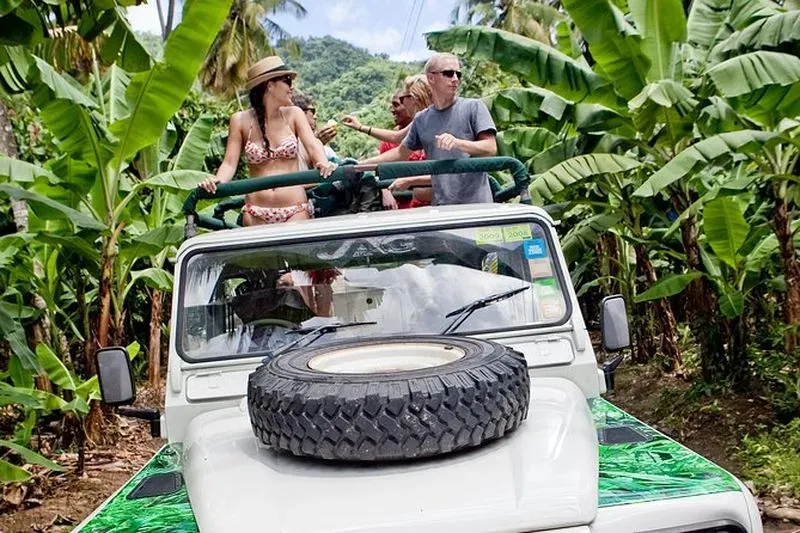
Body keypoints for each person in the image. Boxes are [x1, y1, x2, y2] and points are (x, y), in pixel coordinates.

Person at [199, 56, 336, 225]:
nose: (291, 88)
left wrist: (322, 162)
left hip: (295, 209)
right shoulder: (240, 121)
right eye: (287, 81)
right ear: (270, 85)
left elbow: (313, 144)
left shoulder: (294, 114)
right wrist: (216, 181)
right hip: (256, 211)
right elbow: (229, 163)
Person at [358, 53, 498, 206]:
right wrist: (360, 165)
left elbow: (490, 147)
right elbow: (400, 153)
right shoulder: (422, 119)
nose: (455, 79)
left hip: (478, 207)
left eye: (458, 74)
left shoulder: (473, 107)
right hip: (441, 207)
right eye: (448, 73)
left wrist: (458, 143)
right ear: (431, 78)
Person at [292, 93, 338, 161]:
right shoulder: (289, 145)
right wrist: (315, 143)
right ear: (300, 113)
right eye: (312, 111)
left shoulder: (327, 151)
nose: (315, 117)